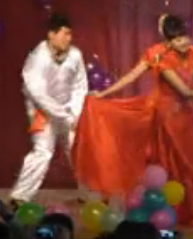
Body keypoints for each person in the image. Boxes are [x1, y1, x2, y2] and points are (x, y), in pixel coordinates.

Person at [73, 15, 170, 197]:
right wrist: (104, 94)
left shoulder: (188, 51)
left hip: (176, 110)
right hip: (156, 107)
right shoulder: (154, 52)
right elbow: (131, 76)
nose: (161, 29)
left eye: (164, 25)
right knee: (149, 148)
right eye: (160, 25)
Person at [9, 14, 88, 207]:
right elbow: (38, 94)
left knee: (78, 150)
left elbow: (80, 86)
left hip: (68, 110)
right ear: (51, 34)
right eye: (65, 34)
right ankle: (20, 197)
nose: (69, 38)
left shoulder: (75, 55)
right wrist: (63, 116)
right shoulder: (37, 58)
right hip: (41, 112)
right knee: (42, 151)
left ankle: (90, 194)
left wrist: (75, 112)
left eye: (70, 34)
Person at [148, 15, 193, 227]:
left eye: (185, 37)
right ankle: (173, 209)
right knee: (171, 161)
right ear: (169, 42)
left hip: (185, 115)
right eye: (178, 39)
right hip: (167, 116)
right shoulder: (163, 60)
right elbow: (185, 91)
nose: (183, 42)